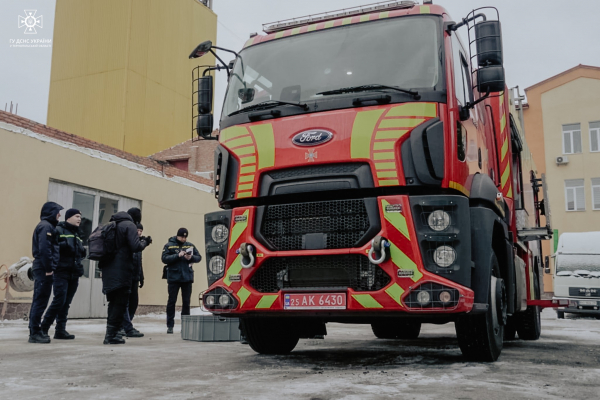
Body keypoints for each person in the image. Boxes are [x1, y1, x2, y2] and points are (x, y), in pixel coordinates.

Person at [99, 207, 151, 345]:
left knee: (113, 303)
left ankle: (111, 334)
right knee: (120, 304)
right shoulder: (129, 225)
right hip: (121, 271)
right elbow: (135, 246)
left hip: (108, 271)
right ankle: (111, 335)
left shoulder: (112, 225)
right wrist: (145, 242)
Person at [41, 209, 85, 340]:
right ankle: (43, 328)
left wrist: (82, 253)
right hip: (61, 271)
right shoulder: (58, 230)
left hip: (74, 273)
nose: (79, 219)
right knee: (59, 300)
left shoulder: (77, 234)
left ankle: (60, 330)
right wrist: (63, 246)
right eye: (77, 216)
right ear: (68, 218)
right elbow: (51, 247)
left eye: (80, 217)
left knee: (66, 303)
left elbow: (79, 251)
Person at [28, 201, 63, 344]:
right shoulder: (45, 226)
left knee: (41, 300)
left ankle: (35, 331)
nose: (59, 215)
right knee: (40, 300)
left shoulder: (47, 226)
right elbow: (44, 249)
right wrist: (49, 269)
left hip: (44, 268)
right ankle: (35, 333)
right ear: (51, 212)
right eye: (57, 212)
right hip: (43, 269)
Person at [162, 228, 201, 334]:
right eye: (182, 237)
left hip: (187, 277)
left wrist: (191, 257)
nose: (183, 239)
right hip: (174, 278)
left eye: (185, 237)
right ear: (177, 236)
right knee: (171, 301)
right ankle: (170, 325)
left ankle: (185, 326)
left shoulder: (190, 245)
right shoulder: (169, 245)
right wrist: (177, 255)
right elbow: (164, 258)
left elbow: (199, 257)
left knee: (186, 302)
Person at [120, 222, 146, 338]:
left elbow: (139, 262)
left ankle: (128, 323)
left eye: (141, 231)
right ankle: (123, 326)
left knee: (134, 302)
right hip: (127, 277)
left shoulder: (139, 245)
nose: (139, 233)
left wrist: (141, 276)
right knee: (125, 302)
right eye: (138, 230)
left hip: (135, 277)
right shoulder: (130, 242)